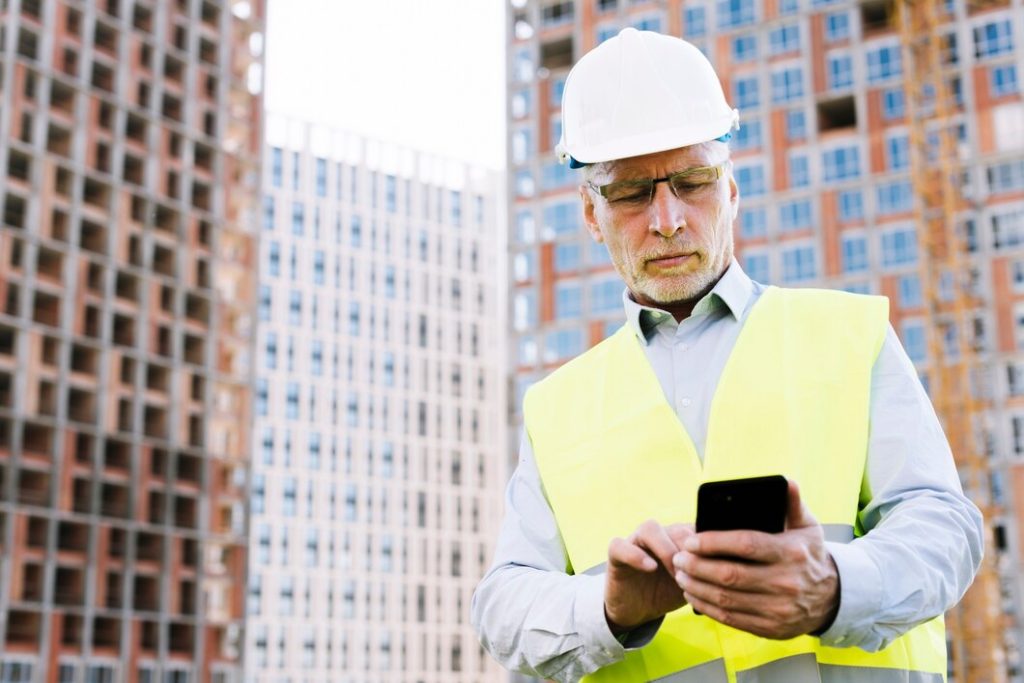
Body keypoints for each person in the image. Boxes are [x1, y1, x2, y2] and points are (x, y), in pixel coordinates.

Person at [471, 28, 984, 683]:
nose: (667, 219)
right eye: (631, 194)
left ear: (732, 190)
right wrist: (608, 609)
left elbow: (944, 527)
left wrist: (832, 585)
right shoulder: (555, 410)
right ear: (591, 216)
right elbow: (502, 606)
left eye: (692, 182)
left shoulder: (850, 335)